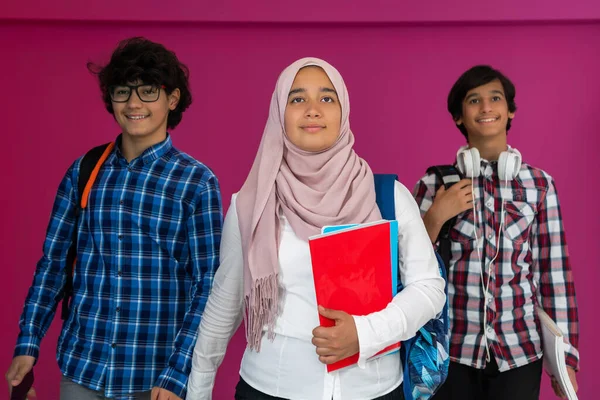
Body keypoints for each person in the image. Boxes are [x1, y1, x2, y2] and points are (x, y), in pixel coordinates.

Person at [187, 57, 445, 400]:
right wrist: (198, 389)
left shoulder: (387, 197)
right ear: (280, 113)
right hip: (271, 388)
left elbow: (429, 288)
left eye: (327, 98)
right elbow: (225, 302)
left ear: (344, 111)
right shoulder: (252, 203)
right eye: (297, 99)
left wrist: (365, 333)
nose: (313, 110)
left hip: (374, 390)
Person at [5, 37, 223, 400]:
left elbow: (207, 286)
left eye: (148, 91)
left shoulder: (197, 183)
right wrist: (28, 342)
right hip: (82, 366)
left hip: (153, 376)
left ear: (172, 100)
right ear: (111, 100)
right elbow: (54, 264)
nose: (134, 102)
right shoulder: (84, 171)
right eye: (123, 91)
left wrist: (177, 373)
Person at [413, 65, 579, 400]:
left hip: (519, 352)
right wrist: (435, 218)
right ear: (459, 117)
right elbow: (409, 270)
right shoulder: (433, 185)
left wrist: (566, 361)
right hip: (453, 352)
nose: (486, 107)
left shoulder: (539, 185)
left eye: (495, 98)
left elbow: (553, 275)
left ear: (510, 110)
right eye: (474, 100)